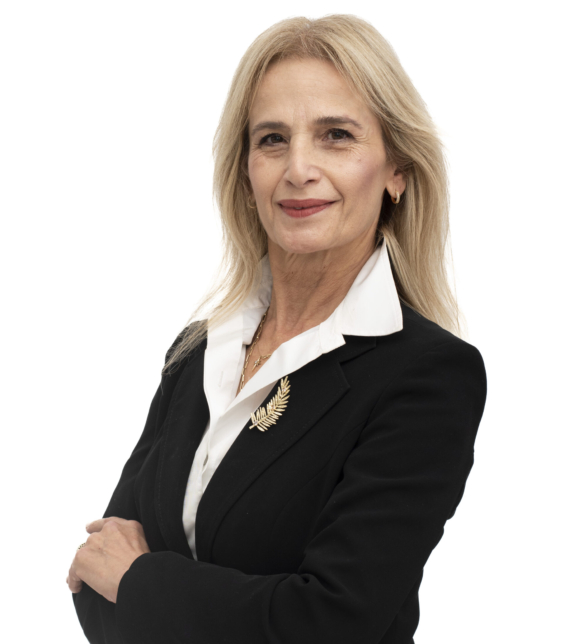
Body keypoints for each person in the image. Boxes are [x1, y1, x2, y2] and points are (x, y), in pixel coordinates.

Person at [67, 14, 487, 644]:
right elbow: (93, 581)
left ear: (396, 170)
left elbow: (331, 623)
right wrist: (145, 587)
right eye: (271, 140)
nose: (298, 168)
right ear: (245, 172)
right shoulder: (197, 351)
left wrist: (141, 581)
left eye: (336, 136)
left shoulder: (428, 375)